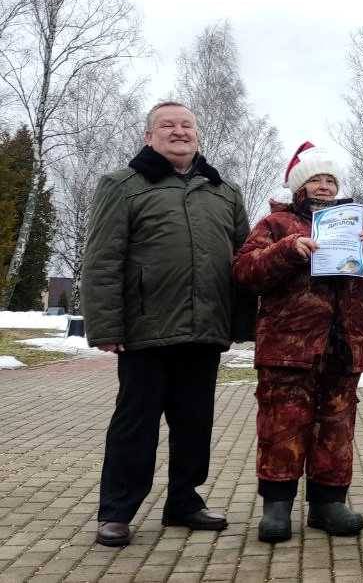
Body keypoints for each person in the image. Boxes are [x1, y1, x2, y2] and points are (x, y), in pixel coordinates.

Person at [82, 101, 252, 547]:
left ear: (197, 134)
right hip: (145, 330)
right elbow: (102, 260)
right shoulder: (122, 185)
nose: (179, 131)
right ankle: (116, 511)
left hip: (205, 329)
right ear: (148, 136)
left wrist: (242, 322)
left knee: (195, 422)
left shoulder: (225, 191)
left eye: (186, 125)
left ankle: (183, 501)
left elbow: (243, 261)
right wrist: (107, 327)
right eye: (167, 125)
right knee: (135, 424)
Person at [232, 142, 363, 542]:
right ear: (299, 187)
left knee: (336, 429)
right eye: (316, 179)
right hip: (288, 349)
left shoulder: (354, 225)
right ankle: (277, 507)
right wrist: (288, 250)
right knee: (282, 427)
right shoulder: (275, 224)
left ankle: (328, 504)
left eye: (330, 180)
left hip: (342, 346)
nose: (324, 186)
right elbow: (245, 271)